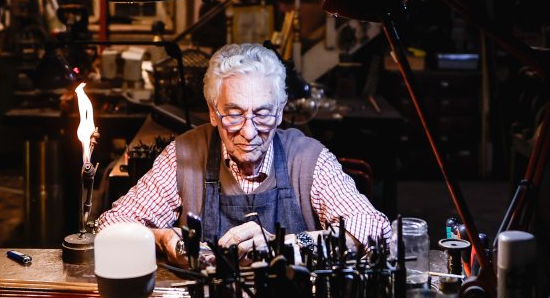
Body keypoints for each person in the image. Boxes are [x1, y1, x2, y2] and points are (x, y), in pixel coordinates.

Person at [96, 43, 391, 265]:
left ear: (280, 111)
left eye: (262, 114)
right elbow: (112, 227)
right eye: (234, 115)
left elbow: (372, 230)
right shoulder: (185, 156)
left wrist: (286, 244)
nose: (249, 133)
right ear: (213, 112)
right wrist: (162, 239)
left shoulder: (308, 160)